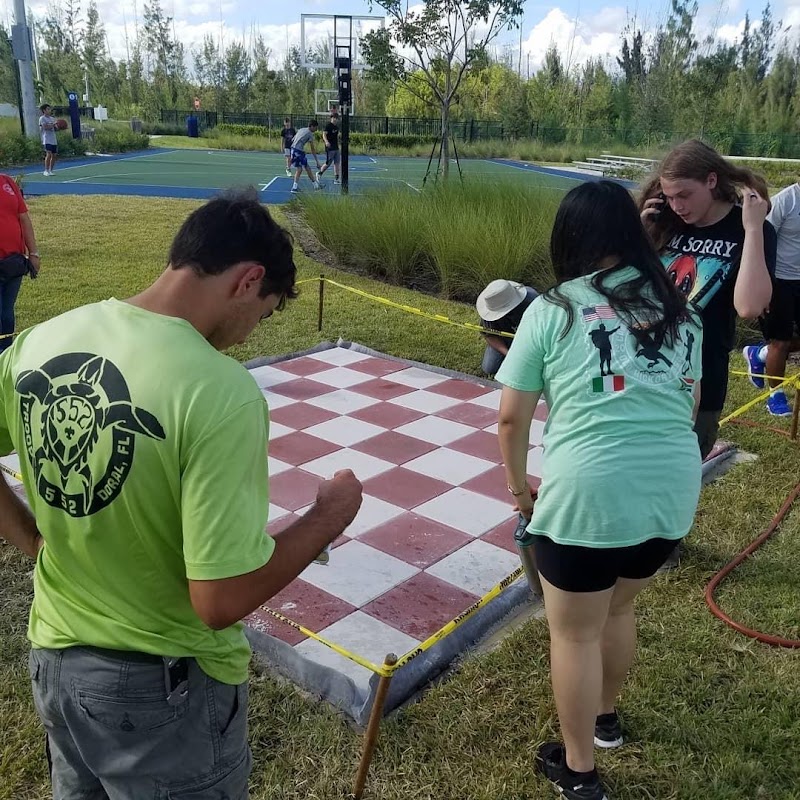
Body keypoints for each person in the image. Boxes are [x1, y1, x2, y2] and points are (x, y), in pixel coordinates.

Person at [0, 189, 363, 797]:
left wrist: (36, 540)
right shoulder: (219, 390)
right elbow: (218, 600)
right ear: (249, 281)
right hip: (163, 691)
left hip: (57, 662)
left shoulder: (45, 339)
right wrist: (327, 517)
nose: (249, 336)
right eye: (265, 313)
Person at [497, 181, 703, 800]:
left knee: (575, 632)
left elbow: (511, 419)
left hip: (587, 497)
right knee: (618, 607)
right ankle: (606, 720)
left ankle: (580, 770)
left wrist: (520, 491)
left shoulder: (554, 308)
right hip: (670, 494)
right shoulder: (680, 308)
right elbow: (688, 406)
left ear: (572, 238)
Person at [639, 140, 775, 460]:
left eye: (684, 195)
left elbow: (749, 307)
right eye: (669, 197)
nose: (677, 206)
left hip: (699, 381)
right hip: (642, 370)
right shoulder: (665, 222)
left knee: (674, 487)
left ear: (711, 181)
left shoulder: (749, 228)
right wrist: (641, 232)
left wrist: (753, 230)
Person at [742, 181, 800, 416]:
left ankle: (759, 355)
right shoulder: (788, 199)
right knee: (781, 341)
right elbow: (762, 238)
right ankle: (774, 396)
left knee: (784, 344)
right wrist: (763, 285)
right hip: (778, 280)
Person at [0, 174, 40, 353]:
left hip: (13, 263)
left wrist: (33, 253)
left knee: (7, 314)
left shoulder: (7, 182)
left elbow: (23, 218)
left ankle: (6, 354)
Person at [476, 279, 538, 375]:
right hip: (506, 339)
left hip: (532, 338)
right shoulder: (491, 304)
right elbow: (490, 335)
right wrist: (509, 354)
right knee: (489, 368)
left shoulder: (533, 301)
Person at [289, 120, 322, 194]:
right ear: (312, 126)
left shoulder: (301, 129)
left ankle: (295, 187)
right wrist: (317, 161)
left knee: (302, 168)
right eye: (316, 127)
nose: (316, 129)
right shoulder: (310, 133)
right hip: (298, 151)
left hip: (293, 150)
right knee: (304, 168)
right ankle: (315, 186)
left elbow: (293, 139)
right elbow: (312, 148)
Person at [316, 111, 341, 185]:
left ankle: (336, 179)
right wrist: (326, 142)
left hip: (336, 147)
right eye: (334, 118)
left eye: (336, 118)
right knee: (328, 163)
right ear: (331, 118)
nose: (335, 119)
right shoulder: (328, 126)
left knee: (337, 163)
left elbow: (336, 136)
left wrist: (339, 141)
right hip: (330, 147)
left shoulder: (336, 127)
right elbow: (324, 134)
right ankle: (319, 173)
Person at [39, 104, 58, 177]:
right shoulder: (42, 118)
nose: (49, 110)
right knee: (49, 154)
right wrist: (53, 125)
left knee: (54, 155)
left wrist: (60, 126)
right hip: (46, 139)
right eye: (48, 109)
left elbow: (55, 129)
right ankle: (46, 170)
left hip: (53, 139)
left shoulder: (52, 118)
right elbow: (45, 127)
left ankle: (51, 170)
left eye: (50, 109)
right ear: (44, 110)